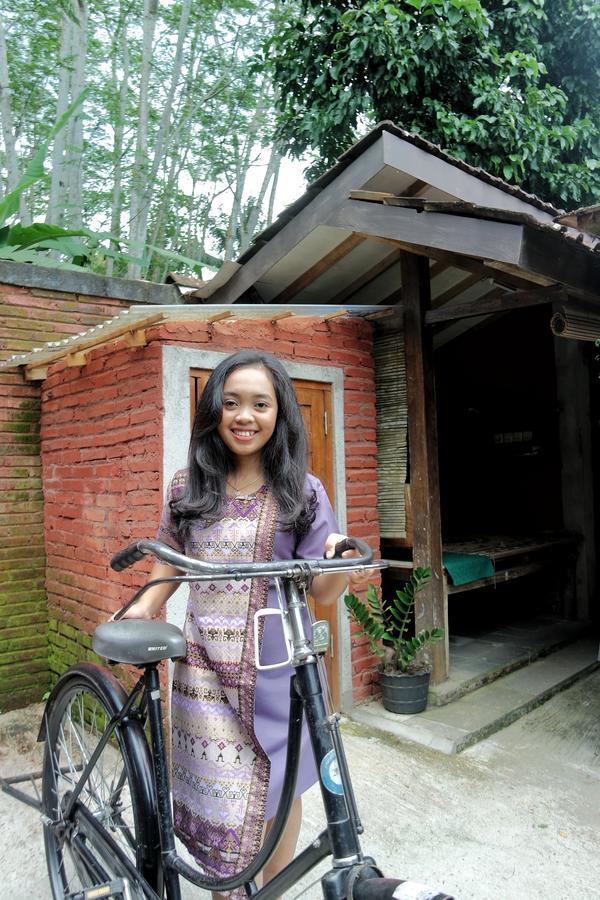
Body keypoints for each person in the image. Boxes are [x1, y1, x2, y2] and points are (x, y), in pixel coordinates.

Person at [117, 349, 360, 898]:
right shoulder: (188, 487)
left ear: (280, 415)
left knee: (284, 786)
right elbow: (171, 560)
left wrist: (337, 561)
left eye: (260, 404)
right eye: (231, 403)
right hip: (204, 674)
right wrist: (142, 609)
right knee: (219, 800)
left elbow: (322, 589)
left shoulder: (303, 491)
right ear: (214, 412)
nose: (244, 416)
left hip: (281, 675)